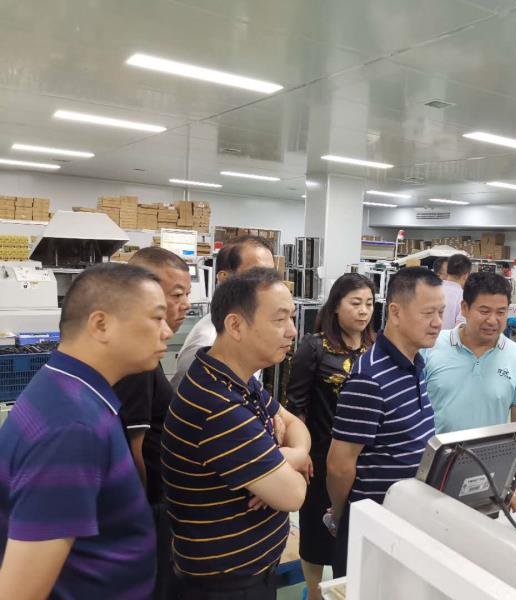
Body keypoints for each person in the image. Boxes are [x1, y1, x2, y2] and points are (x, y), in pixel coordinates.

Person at [0, 263, 172, 598]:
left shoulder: (66, 388)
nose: (166, 331)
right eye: (156, 317)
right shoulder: (72, 429)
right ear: (101, 324)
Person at [162, 267, 311, 600]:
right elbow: (293, 496)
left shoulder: (229, 377)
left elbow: (296, 426)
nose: (292, 331)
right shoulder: (219, 407)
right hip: (227, 582)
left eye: (291, 318)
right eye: (280, 319)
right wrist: (292, 461)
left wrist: (286, 456)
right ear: (235, 326)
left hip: (247, 568)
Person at [327, 267, 445, 577]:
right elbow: (339, 465)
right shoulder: (369, 378)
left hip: (406, 520)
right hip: (371, 527)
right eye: (428, 313)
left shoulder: (415, 364)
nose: (438, 322)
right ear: (395, 312)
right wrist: (342, 515)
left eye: (441, 312)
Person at [286, 273, 376, 600]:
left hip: (363, 460)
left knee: (353, 533)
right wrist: (301, 454)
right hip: (320, 459)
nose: (363, 311)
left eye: (369, 303)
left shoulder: (375, 349)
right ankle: (313, 593)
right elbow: (296, 406)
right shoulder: (314, 347)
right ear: (336, 306)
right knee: (315, 533)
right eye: (356, 303)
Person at [112, 247, 190, 599]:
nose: (185, 305)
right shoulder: (137, 362)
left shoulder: (147, 354)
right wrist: (140, 515)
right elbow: (134, 451)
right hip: (149, 506)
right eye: (177, 295)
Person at [423, 271, 516, 510]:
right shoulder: (431, 348)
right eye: (484, 311)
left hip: (488, 476)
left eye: (501, 312)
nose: (493, 320)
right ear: (464, 308)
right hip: (432, 469)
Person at [171, 235, 275, 388]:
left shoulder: (249, 329)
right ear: (224, 278)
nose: (269, 285)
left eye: (271, 275)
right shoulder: (207, 345)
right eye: (257, 275)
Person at [441, 253, 471, 329]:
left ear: (447, 271)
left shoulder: (431, 289)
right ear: (466, 275)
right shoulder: (464, 297)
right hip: (448, 336)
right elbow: (460, 327)